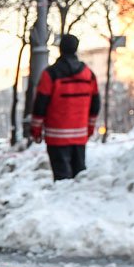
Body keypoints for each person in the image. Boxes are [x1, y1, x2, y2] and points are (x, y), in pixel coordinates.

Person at [29, 33, 100, 181]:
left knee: (62, 179)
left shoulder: (50, 74)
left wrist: (35, 130)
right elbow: (95, 104)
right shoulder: (88, 74)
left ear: (60, 49)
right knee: (79, 177)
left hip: (57, 136)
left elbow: (40, 105)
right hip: (80, 135)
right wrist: (90, 127)